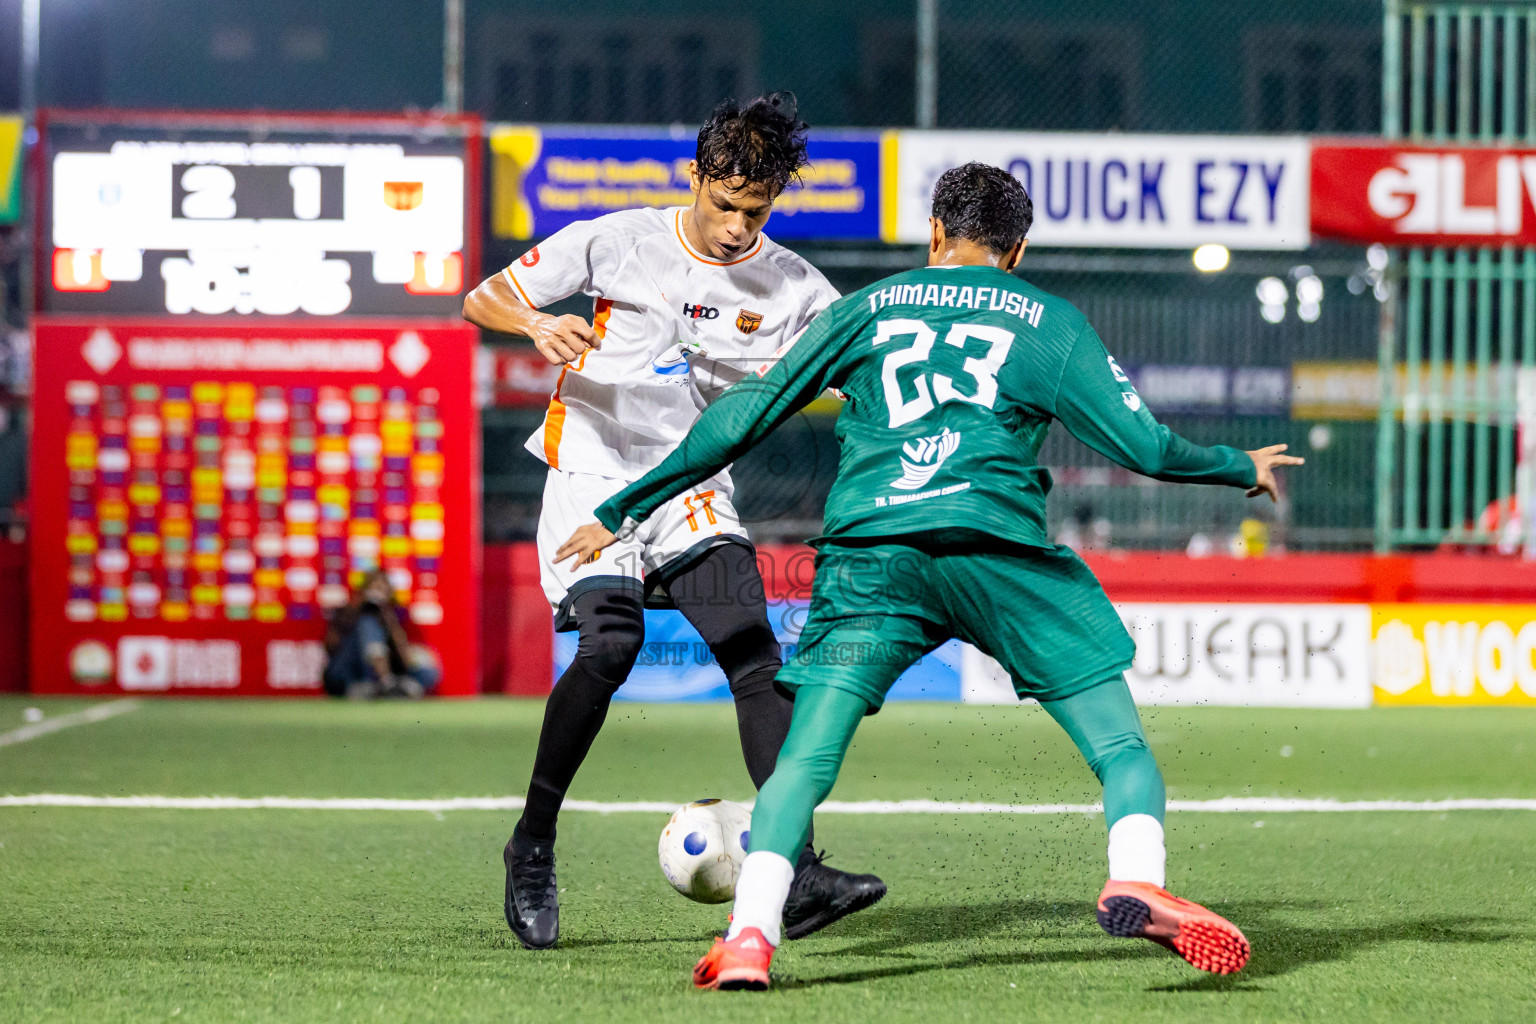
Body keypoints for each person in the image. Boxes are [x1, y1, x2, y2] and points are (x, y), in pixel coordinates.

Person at [556, 162, 1305, 989]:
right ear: (1016, 251)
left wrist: (626, 504)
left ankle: (749, 938)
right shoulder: (1049, 323)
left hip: (875, 560)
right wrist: (1240, 466)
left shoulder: (870, 308)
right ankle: (1136, 875)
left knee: (804, 758)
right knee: (1123, 747)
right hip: (998, 556)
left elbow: (747, 413)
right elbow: (1147, 449)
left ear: (936, 235)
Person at [462, 91, 885, 951]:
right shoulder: (618, 239)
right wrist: (536, 323)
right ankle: (532, 844)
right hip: (590, 471)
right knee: (610, 647)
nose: (735, 226)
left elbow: (864, 364)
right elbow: (484, 298)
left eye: (753, 210)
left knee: (755, 654)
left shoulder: (796, 287)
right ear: (694, 177)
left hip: (690, 486)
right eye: (722, 202)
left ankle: (795, 871)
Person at [322, 571, 441, 699]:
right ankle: (385, 683)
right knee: (367, 623)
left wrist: (386, 617)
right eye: (373, 589)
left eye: (382, 590)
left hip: (392, 669)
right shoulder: (347, 611)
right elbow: (331, 646)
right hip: (351, 671)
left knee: (427, 670)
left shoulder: (396, 615)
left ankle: (388, 687)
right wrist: (362, 609)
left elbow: (405, 653)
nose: (377, 596)